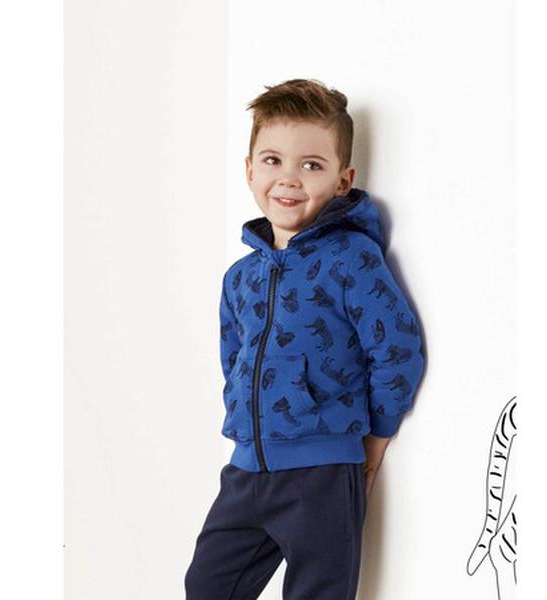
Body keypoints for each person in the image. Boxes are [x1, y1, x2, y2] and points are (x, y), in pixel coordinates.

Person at [184, 78, 426, 599]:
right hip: (247, 468)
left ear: (343, 180)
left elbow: (396, 347)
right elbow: (233, 358)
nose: (288, 178)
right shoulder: (239, 277)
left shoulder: (352, 259)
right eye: (272, 160)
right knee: (205, 586)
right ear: (250, 170)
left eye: (312, 165)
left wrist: (377, 436)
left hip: (322, 471)